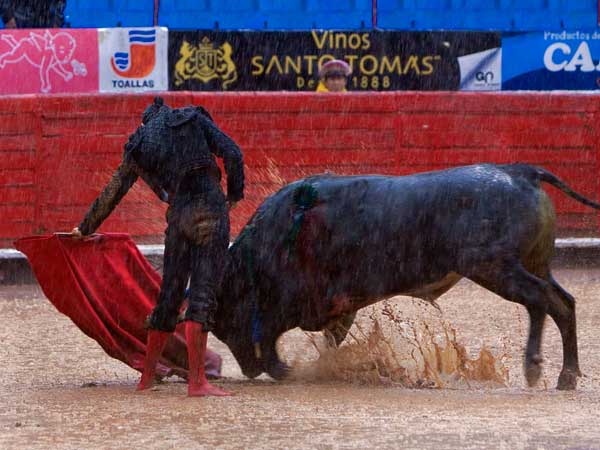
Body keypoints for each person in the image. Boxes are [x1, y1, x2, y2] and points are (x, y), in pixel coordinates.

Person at [71, 97, 244, 397]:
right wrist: (234, 194)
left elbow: (115, 190)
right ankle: (197, 383)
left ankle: (147, 378)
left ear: (145, 122)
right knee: (201, 295)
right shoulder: (192, 119)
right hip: (209, 208)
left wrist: (84, 228)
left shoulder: (140, 144)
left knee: (169, 296)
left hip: (178, 217)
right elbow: (233, 153)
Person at [1, 0, 66, 29]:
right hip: (18, 19)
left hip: (46, 21)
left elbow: (60, 2)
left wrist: (57, 21)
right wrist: (8, 17)